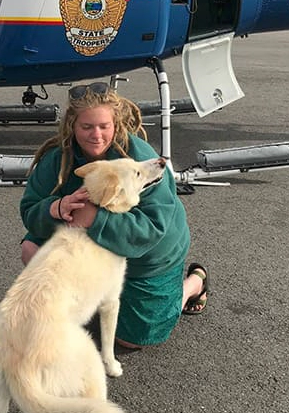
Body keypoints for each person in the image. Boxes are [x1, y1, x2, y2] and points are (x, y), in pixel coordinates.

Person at [18, 82, 209, 348]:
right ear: (72, 126)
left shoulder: (141, 161)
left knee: (131, 340)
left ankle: (193, 285)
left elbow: (153, 228)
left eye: (104, 126)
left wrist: (96, 218)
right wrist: (56, 208)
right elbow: (30, 210)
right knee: (31, 249)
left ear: (115, 125)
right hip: (94, 250)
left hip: (147, 259)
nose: (96, 135)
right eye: (87, 127)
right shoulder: (57, 159)